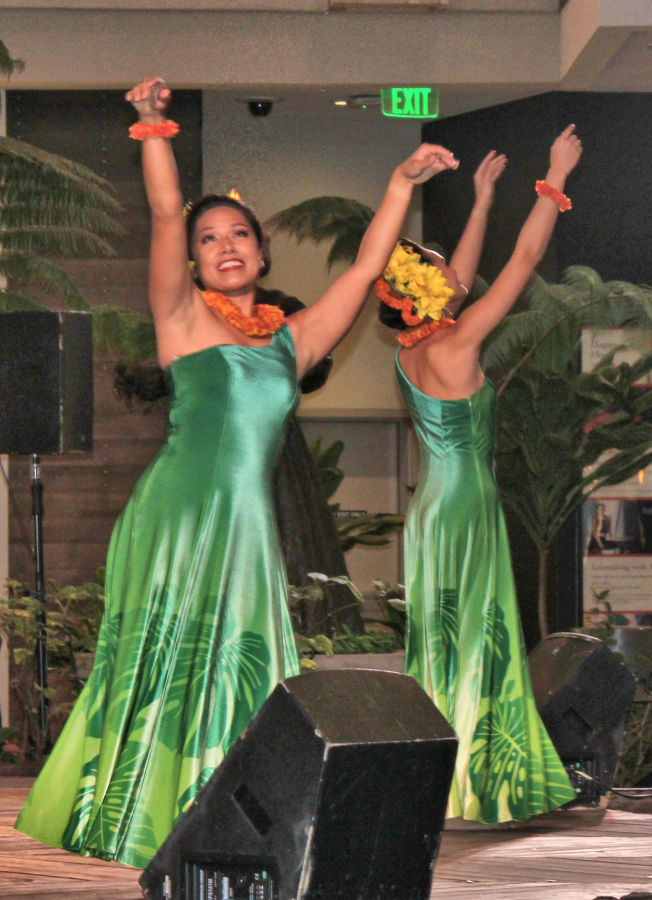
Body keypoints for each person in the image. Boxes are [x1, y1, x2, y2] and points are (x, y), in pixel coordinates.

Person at [15, 76, 459, 867]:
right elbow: (161, 213)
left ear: (261, 252)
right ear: (195, 257)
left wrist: (398, 183)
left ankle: (234, 816)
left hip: (249, 528)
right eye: (210, 238)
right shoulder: (179, 316)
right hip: (178, 514)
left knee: (243, 664)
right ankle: (130, 812)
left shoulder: (293, 339)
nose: (225, 246)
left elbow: (361, 272)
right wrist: (153, 126)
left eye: (239, 236)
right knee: (166, 660)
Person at [376, 125, 583, 823]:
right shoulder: (458, 341)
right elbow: (524, 262)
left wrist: (483, 201)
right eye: (439, 272)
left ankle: (445, 770)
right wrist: (553, 180)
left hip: (432, 507)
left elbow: (459, 281)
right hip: (466, 500)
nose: (454, 276)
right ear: (430, 294)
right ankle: (482, 774)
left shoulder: (411, 352)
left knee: (444, 638)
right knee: (479, 634)